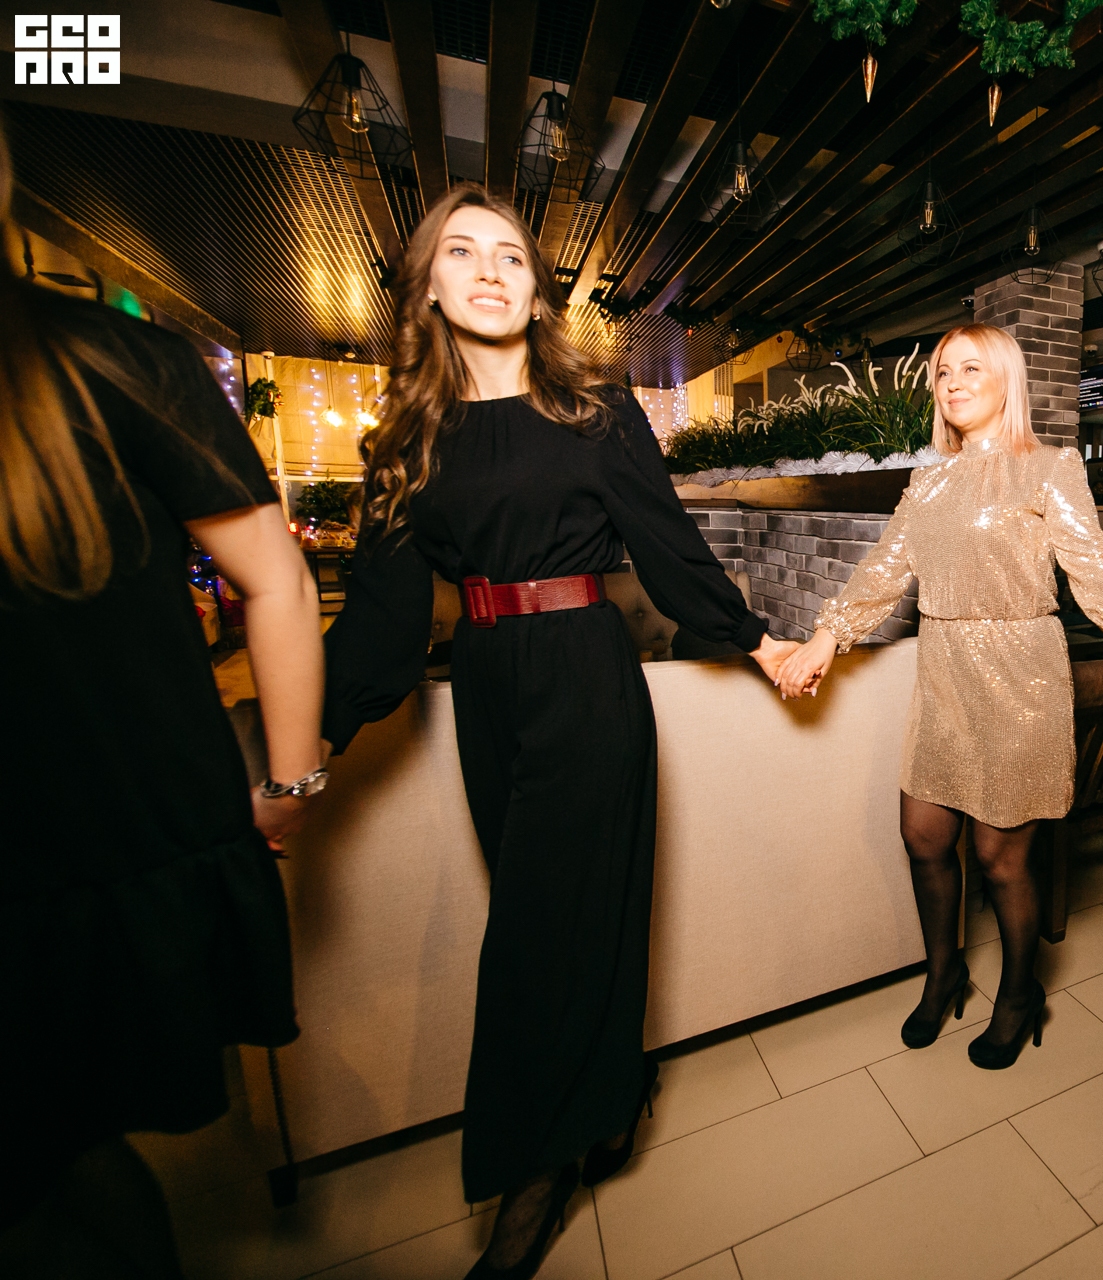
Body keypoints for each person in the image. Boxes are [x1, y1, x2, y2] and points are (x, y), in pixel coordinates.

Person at [320, 184, 796, 1279]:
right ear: (427, 287)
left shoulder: (596, 409)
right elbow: (383, 621)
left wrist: (756, 641)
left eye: (511, 255)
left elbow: (667, 547)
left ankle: (531, 1178)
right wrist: (308, 747)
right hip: (488, 686)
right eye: (462, 252)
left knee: (535, 943)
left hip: (585, 674)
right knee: (575, 918)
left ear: (537, 292)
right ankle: (612, 1091)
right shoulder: (405, 434)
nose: (490, 269)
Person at [0, 132, 322, 1274]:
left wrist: (291, 779)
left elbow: (277, 579)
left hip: (83, 847)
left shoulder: (111, 360)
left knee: (54, 1172)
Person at [777, 324, 1103, 1070]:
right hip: (945, 671)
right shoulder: (928, 482)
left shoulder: (1050, 466)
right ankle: (944, 972)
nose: (952, 383)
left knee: (1000, 857)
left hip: (1022, 674)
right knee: (923, 836)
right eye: (943, 372)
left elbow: (1093, 567)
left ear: (1006, 380)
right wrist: (826, 639)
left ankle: (1019, 994)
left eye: (970, 369)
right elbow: (883, 571)